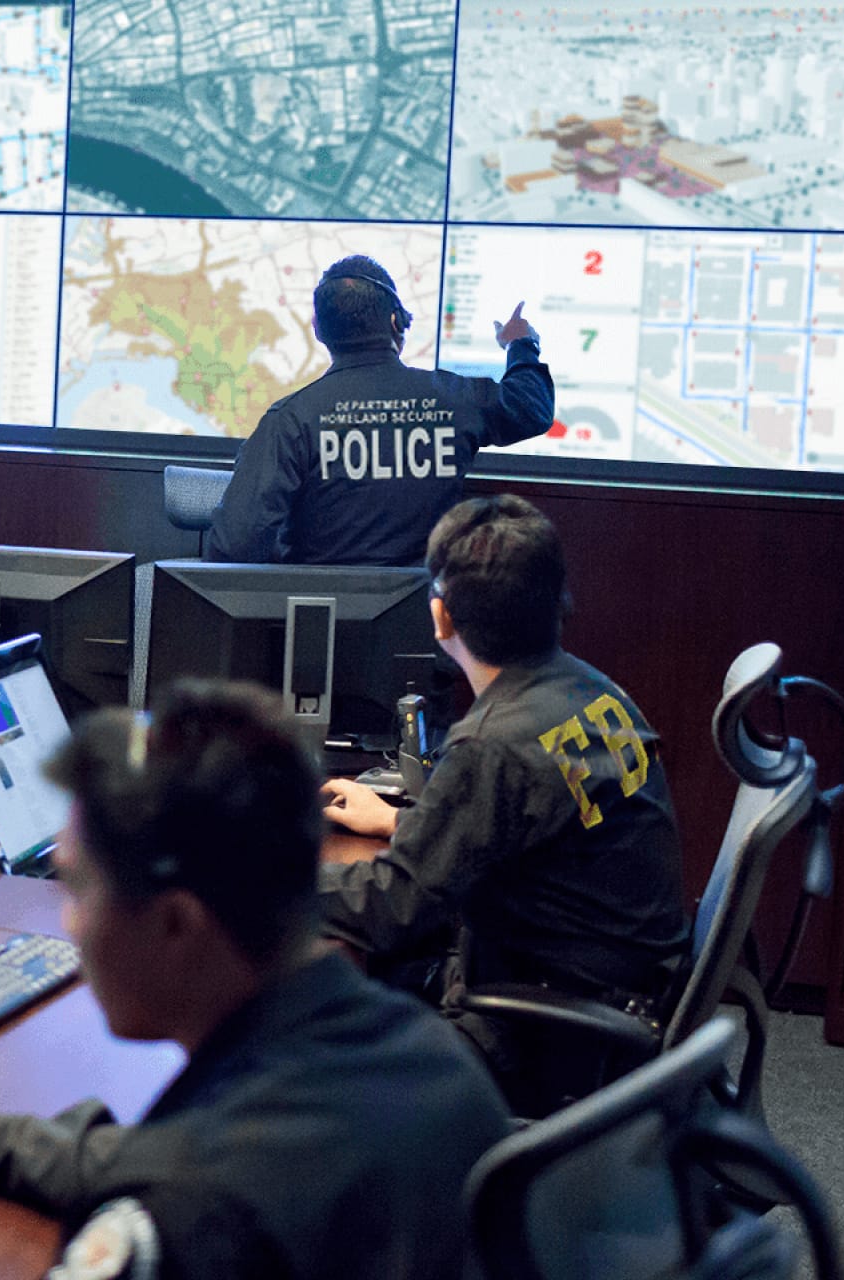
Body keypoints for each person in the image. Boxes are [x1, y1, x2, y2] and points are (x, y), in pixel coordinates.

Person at [0, 681, 511, 1280]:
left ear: (177, 923)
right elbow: (172, 1155)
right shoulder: (423, 1058)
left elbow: (186, 1177)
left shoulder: (185, 1218)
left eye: (80, 889)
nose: (69, 924)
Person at [317, 495, 688, 1110]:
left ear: (441, 618)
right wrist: (402, 819)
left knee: (320, 1068)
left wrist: (259, 886)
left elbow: (393, 905)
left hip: (549, 1033)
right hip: (623, 994)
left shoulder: (493, 745)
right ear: (557, 599)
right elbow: (538, 830)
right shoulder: (594, 689)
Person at [210, 255, 555, 566]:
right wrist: (521, 344)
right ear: (395, 322)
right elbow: (531, 408)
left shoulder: (290, 420)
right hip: (425, 623)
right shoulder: (454, 398)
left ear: (318, 330)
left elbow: (235, 545)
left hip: (316, 626)